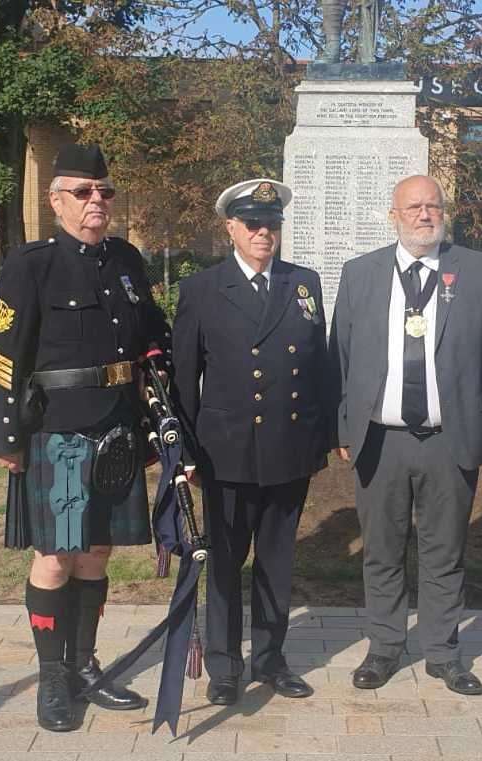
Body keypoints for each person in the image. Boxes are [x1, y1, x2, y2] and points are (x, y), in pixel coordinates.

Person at [0, 144, 165, 731]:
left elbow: (153, 341)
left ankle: (85, 666)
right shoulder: (30, 265)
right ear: (56, 200)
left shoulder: (128, 261)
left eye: (104, 192)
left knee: (97, 552)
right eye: (83, 192)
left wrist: (161, 418)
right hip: (58, 428)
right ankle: (53, 679)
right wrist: (3, 435)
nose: (96, 202)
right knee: (55, 557)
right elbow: (0, 354)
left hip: (116, 425)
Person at [329, 175, 482, 696]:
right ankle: (384, 647)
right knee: (382, 549)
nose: (424, 215)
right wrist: (343, 426)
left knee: (444, 549)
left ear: (444, 213)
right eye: (413, 207)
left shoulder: (478, 271)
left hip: (449, 436)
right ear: (394, 214)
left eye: (433, 206)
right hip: (380, 438)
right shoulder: (360, 274)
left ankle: (443, 651)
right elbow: (339, 358)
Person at [171, 178, 332, 706]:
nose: (265, 233)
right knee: (224, 562)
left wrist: (321, 437)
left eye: (273, 224)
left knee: (277, 562)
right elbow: (184, 379)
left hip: (288, 447)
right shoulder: (202, 289)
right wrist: (187, 453)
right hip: (227, 452)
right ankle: (224, 666)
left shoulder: (302, 283)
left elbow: (319, 368)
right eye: (253, 224)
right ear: (230, 229)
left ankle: (270, 658)